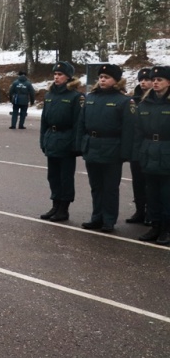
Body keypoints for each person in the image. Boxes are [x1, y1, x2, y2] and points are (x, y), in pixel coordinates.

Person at [77, 64, 135, 232]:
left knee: (110, 187)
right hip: (92, 146)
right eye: (101, 77)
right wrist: (81, 144)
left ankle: (108, 220)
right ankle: (97, 217)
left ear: (116, 81)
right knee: (96, 186)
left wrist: (125, 153)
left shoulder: (124, 101)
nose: (102, 80)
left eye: (107, 77)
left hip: (112, 148)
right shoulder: (90, 98)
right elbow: (81, 123)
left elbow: (128, 129)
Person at [38, 61, 84, 222]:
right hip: (52, 138)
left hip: (67, 140)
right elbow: (44, 121)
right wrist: (43, 140)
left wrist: (76, 145)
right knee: (53, 176)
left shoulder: (76, 97)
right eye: (55, 74)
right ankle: (55, 204)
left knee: (65, 177)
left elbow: (79, 123)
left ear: (68, 77)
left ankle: (64, 208)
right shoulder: (50, 95)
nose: (56, 77)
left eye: (60, 75)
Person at [134, 65, 170, 245]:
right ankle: (155, 226)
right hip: (148, 152)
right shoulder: (145, 104)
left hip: (167, 153)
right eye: (153, 80)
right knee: (152, 194)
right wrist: (139, 152)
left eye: (160, 80)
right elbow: (138, 131)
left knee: (167, 195)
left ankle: (166, 229)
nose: (155, 82)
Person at [126, 67, 153, 224]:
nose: (143, 82)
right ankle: (139, 210)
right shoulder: (133, 101)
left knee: (151, 182)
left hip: (150, 147)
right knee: (137, 180)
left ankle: (151, 211)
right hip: (136, 147)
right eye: (141, 80)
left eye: (147, 79)